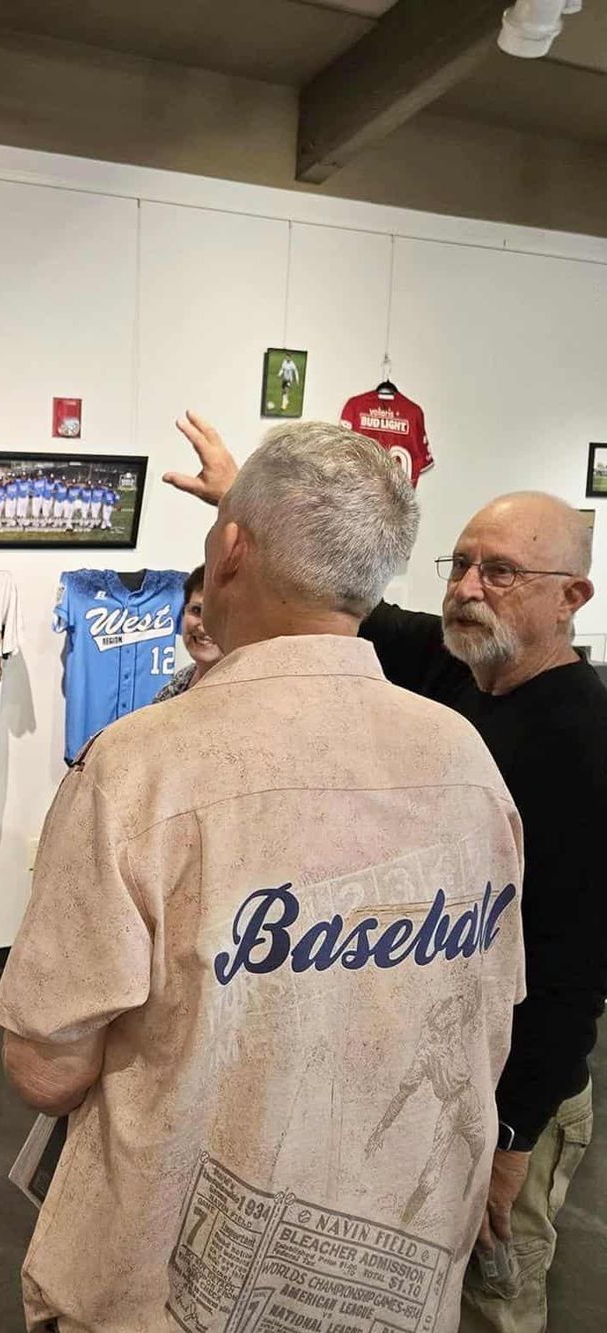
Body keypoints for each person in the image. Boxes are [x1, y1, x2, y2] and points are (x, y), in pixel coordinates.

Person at [0, 421, 525, 1333]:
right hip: (395, 1280)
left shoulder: (141, 764)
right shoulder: (466, 760)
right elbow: (492, 1017)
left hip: (168, 1288)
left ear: (231, 549)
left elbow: (46, 1066)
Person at [163, 412, 607, 1333]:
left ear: (573, 596)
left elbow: (574, 967)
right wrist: (251, 503)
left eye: (502, 572)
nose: (470, 588)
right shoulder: (454, 668)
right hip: (432, 1055)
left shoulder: (584, 744)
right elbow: (334, 590)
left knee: (497, 1293)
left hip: (516, 1087)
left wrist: (514, 1135)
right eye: (460, 563)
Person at [152, 564, 222, 701]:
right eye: (196, 610)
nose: (203, 627)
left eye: (218, 614)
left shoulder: (252, 694)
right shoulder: (177, 685)